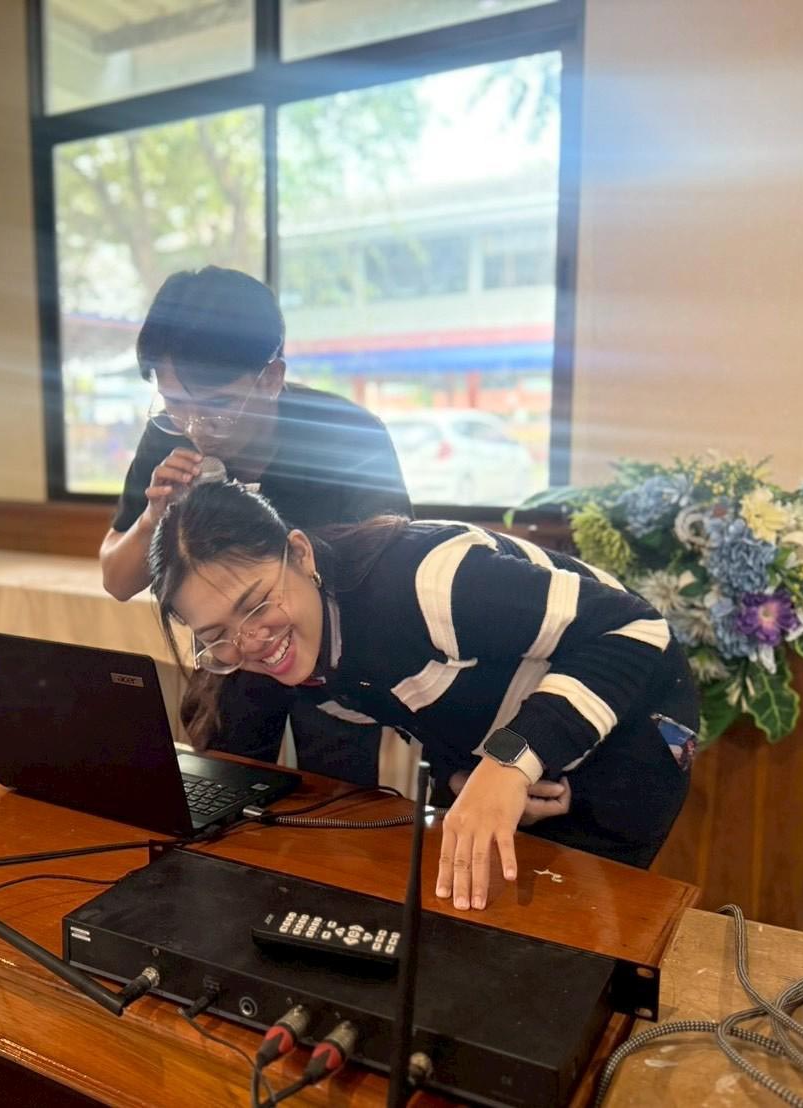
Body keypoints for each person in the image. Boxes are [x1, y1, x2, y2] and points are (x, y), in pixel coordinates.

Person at [149, 480, 698, 910]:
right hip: (529, 755)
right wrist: (464, 773)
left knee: (582, 931)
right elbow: (424, 702)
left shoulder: (428, 582)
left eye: (255, 605)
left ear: (300, 553)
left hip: (633, 730)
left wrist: (508, 765)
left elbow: (637, 629)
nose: (251, 642)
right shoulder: (301, 648)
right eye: (218, 635)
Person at [99, 266, 412, 784]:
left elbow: (393, 564)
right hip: (232, 652)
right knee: (220, 783)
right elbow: (117, 579)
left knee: (336, 797)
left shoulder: (346, 435)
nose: (196, 426)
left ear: (271, 377)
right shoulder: (168, 438)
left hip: (337, 657)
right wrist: (155, 516)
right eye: (175, 404)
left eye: (218, 405)